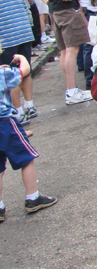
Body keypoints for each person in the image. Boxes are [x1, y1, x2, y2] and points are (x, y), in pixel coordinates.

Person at [29, 0, 93, 105]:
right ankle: (72, 91)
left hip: (55, 11)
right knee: (72, 50)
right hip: (66, 10)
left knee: (64, 51)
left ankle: (70, 89)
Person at [0, 49, 56, 223]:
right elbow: (24, 71)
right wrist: (22, 58)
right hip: (5, 123)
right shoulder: (4, 74)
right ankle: (33, 197)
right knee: (26, 158)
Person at [0, 0, 37, 126]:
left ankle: (18, 111)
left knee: (9, 75)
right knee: (24, 70)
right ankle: (29, 105)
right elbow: (25, 7)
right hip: (23, 31)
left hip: (5, 37)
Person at [73, 0, 97, 90]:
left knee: (90, 45)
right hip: (87, 13)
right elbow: (78, 1)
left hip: (90, 12)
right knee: (89, 45)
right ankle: (89, 79)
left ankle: (91, 76)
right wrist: (84, 20)